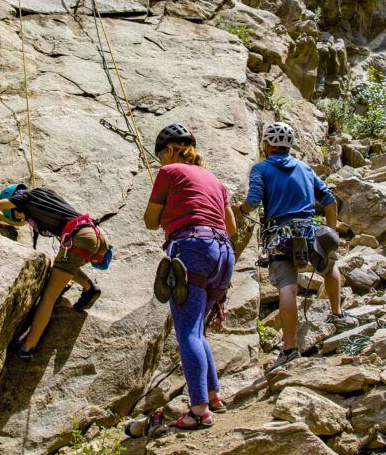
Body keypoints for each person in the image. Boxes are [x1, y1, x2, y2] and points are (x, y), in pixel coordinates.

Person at [234, 122, 359, 370]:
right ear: (289, 146)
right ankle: (338, 314)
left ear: (266, 146)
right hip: (309, 230)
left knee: (287, 289)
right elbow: (330, 201)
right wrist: (331, 232)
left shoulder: (261, 168)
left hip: (278, 235)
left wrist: (239, 210)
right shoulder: (305, 168)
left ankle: (290, 349)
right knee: (329, 267)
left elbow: (253, 200)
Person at [144, 124, 237, 431]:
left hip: (192, 249)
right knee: (197, 330)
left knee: (187, 333)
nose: (161, 162)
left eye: (161, 156)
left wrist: (172, 211)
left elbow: (149, 221)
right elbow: (232, 227)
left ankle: (199, 410)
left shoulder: (169, 173)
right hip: (224, 254)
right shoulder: (214, 179)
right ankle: (213, 395)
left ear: (170, 151)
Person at [0, 183, 108, 359]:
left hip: (81, 237)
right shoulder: (41, 196)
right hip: (97, 234)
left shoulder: (23, 199)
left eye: (15, 211)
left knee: (49, 295)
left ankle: (28, 347)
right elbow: (12, 221)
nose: (19, 217)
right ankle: (89, 288)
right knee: (63, 266)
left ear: (15, 202)